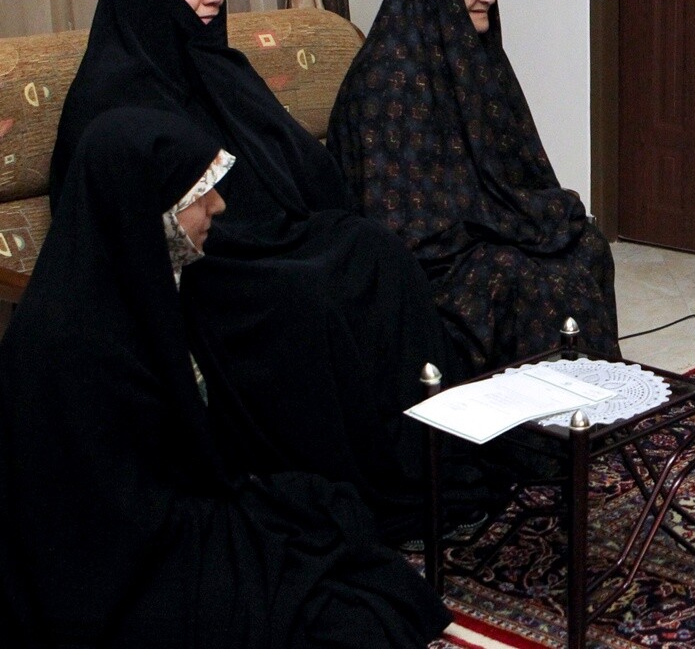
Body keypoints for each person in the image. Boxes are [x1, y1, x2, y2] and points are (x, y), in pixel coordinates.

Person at [49, 0, 455, 539]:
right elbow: (119, 223)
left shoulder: (221, 68)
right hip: (204, 270)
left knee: (377, 252)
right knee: (311, 295)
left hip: (275, 238)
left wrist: (308, 222)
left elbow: (298, 165)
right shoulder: (110, 94)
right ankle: (346, 481)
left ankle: (424, 456)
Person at [0, 108, 450, 648]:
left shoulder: (140, 288)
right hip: (118, 573)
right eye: (199, 193)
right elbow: (108, 520)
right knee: (348, 618)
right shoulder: (71, 342)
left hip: (167, 523)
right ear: (148, 207)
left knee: (333, 514)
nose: (218, 204)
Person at [328, 0, 619, 374]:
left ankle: (601, 396)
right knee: (533, 280)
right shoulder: (385, 81)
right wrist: (506, 223)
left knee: (586, 243)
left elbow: (511, 167)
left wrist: (525, 214)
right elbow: (402, 217)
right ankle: (538, 414)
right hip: (430, 252)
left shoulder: (474, 60)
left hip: (478, 223)